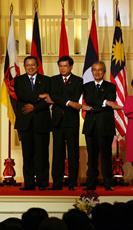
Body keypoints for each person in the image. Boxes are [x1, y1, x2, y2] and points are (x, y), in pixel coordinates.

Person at [14, 56, 51, 190]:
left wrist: (34, 106)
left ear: (37, 66)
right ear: (24, 66)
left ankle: (43, 182)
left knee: (42, 154)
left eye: (33, 65)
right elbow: (22, 95)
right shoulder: (18, 80)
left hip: (42, 121)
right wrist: (38, 97)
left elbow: (48, 100)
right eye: (28, 65)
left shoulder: (46, 80)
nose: (30, 67)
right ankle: (29, 183)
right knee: (27, 154)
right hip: (25, 122)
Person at [46, 55, 83, 191]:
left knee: (73, 153)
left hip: (71, 121)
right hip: (57, 121)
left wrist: (60, 100)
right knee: (57, 153)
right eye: (60, 66)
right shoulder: (53, 80)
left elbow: (73, 96)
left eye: (65, 66)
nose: (62, 68)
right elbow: (52, 95)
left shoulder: (78, 81)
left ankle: (72, 182)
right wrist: (69, 103)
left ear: (71, 67)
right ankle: (57, 182)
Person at [82, 61, 119, 191]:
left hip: (105, 126)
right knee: (91, 157)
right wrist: (104, 103)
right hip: (90, 126)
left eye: (100, 70)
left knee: (106, 156)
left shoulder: (111, 86)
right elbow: (89, 99)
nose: (97, 72)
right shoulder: (86, 86)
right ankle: (91, 183)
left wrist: (96, 105)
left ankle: (108, 183)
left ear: (104, 72)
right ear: (92, 72)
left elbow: (111, 99)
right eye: (95, 70)